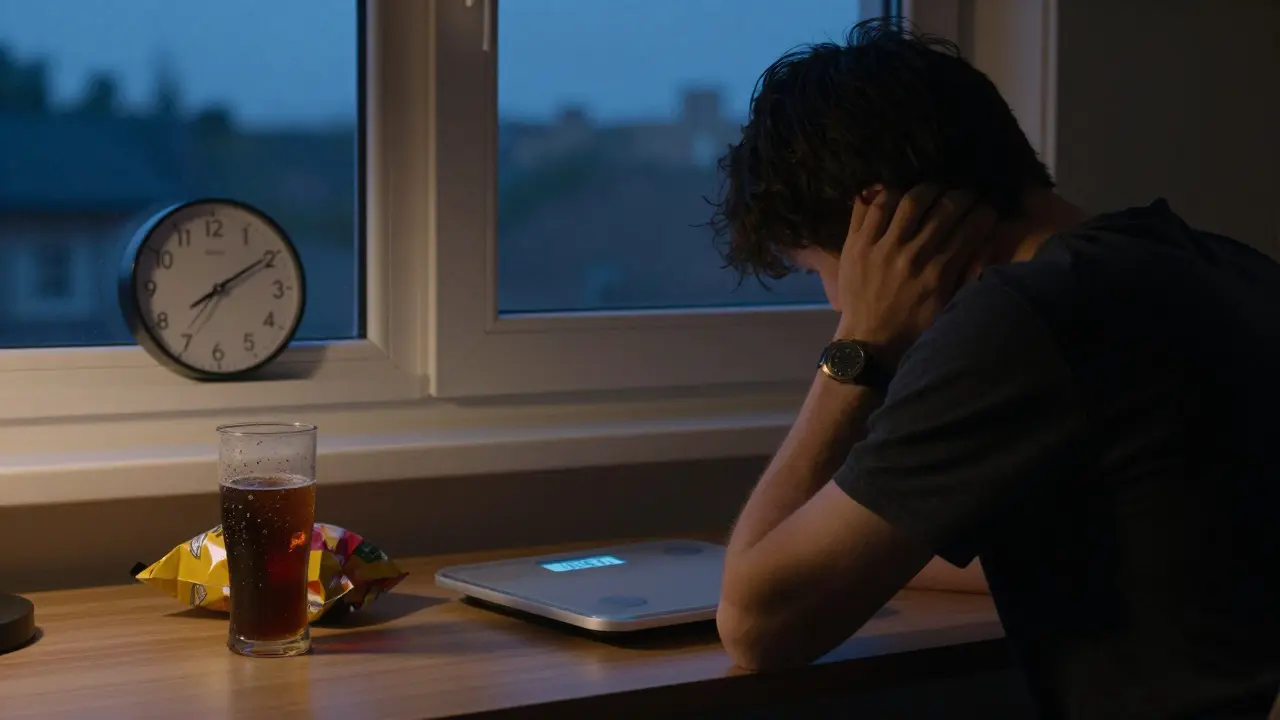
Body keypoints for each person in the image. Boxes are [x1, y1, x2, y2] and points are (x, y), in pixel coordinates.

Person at [710, 18, 1280, 719]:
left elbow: (756, 622)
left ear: (882, 224)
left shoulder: (1019, 320)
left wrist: (861, 343)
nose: (835, 300)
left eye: (819, 273)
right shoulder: (1217, 265)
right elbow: (1131, 554)